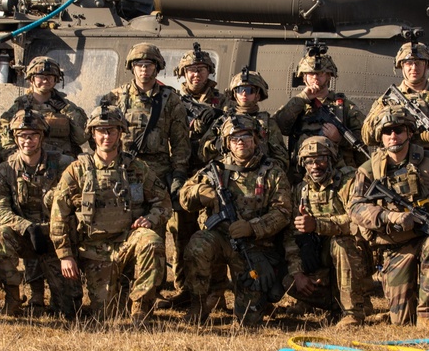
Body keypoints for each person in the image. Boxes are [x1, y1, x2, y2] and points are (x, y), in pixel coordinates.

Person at [348, 106, 429, 329]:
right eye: (387, 132)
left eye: (398, 130)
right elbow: (355, 207)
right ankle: (402, 311)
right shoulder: (370, 169)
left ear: (409, 132)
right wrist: (390, 217)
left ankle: (428, 314)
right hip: (397, 245)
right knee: (402, 321)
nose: (392, 136)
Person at [49, 104, 171, 323]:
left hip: (127, 241)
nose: (106, 136)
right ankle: (118, 293)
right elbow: (59, 215)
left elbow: (163, 203)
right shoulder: (77, 170)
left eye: (112, 130)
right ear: (93, 135)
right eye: (101, 131)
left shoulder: (136, 168)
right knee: (107, 314)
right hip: (94, 249)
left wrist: (151, 218)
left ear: (120, 132)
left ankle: (140, 311)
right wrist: (65, 254)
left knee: (151, 242)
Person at [179, 115, 292, 326]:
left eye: (246, 136)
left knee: (249, 320)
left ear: (256, 139)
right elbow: (184, 197)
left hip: (254, 247)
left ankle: (254, 302)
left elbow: (283, 212)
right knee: (198, 245)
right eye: (234, 138)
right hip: (220, 239)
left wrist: (253, 228)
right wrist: (199, 193)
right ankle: (201, 302)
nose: (240, 142)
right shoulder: (216, 170)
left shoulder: (272, 171)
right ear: (226, 143)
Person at [0, 108, 77, 317]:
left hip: (56, 238)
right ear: (15, 138)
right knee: (0, 234)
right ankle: (13, 299)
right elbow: (0, 208)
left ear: (42, 137)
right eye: (22, 136)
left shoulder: (64, 165)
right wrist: (27, 227)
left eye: (33, 135)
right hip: (24, 236)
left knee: (69, 309)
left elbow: (77, 198)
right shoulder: (5, 170)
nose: (28, 141)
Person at [162, 44, 227, 309]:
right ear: (183, 73)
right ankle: (185, 290)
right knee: (181, 233)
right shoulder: (173, 100)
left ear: (209, 72)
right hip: (183, 174)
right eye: (190, 70)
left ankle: (216, 292)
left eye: (200, 70)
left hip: (212, 176)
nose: (195, 75)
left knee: (213, 230)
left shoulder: (224, 101)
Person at [284, 136, 368, 327]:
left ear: (331, 159)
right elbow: (290, 234)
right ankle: (332, 306)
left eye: (320, 159)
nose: (315, 166)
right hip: (322, 258)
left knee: (341, 244)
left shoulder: (349, 181)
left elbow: (357, 221)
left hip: (354, 254)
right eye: (309, 161)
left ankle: (353, 311)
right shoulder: (301, 190)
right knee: (286, 277)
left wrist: (318, 225)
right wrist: (298, 274)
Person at [99, 43, 190, 198]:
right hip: (123, 170)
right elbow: (99, 136)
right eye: (139, 65)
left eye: (148, 65)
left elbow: (180, 142)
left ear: (157, 67)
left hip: (157, 175)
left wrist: (178, 176)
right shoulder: (114, 98)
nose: (143, 69)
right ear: (132, 67)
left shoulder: (170, 100)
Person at [274, 40, 364, 178]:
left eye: (320, 73)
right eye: (310, 74)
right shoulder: (297, 103)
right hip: (303, 174)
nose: (315, 78)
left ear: (328, 76)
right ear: (304, 77)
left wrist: (339, 138)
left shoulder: (345, 106)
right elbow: (279, 126)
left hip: (338, 175)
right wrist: (303, 98)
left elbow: (363, 140)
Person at [363, 39, 429, 157]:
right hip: (398, 164)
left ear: (426, 65)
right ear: (401, 66)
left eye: (418, 63)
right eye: (409, 63)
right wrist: (388, 122)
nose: (414, 68)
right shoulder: (388, 100)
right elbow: (367, 136)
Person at [0, 56, 87, 162]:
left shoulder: (66, 107)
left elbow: (81, 137)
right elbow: (3, 135)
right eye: (40, 76)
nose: (45, 80)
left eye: (50, 76)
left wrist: (67, 109)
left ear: (56, 79)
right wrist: (17, 158)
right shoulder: (19, 107)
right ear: (31, 78)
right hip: (28, 163)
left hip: (61, 163)